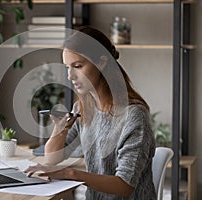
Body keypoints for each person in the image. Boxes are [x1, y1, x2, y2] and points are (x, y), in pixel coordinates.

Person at [26, 26, 156, 200]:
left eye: (77, 66)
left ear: (102, 62)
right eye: (67, 67)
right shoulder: (82, 108)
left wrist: (71, 174)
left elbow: (124, 185)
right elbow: (51, 159)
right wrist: (60, 130)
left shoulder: (133, 116)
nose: (70, 76)